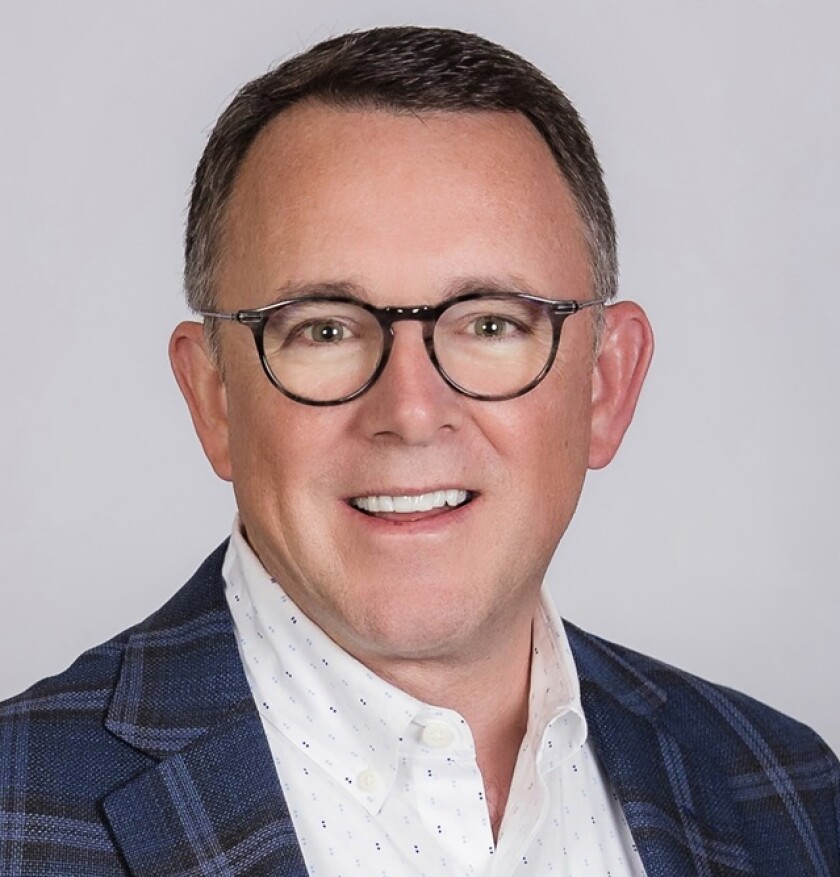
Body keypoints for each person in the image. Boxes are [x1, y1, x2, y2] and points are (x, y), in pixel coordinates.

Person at [0, 25, 837, 877]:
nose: (409, 411)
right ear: (212, 395)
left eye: (490, 324)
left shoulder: (792, 794)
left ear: (604, 385)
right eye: (325, 330)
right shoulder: (15, 813)